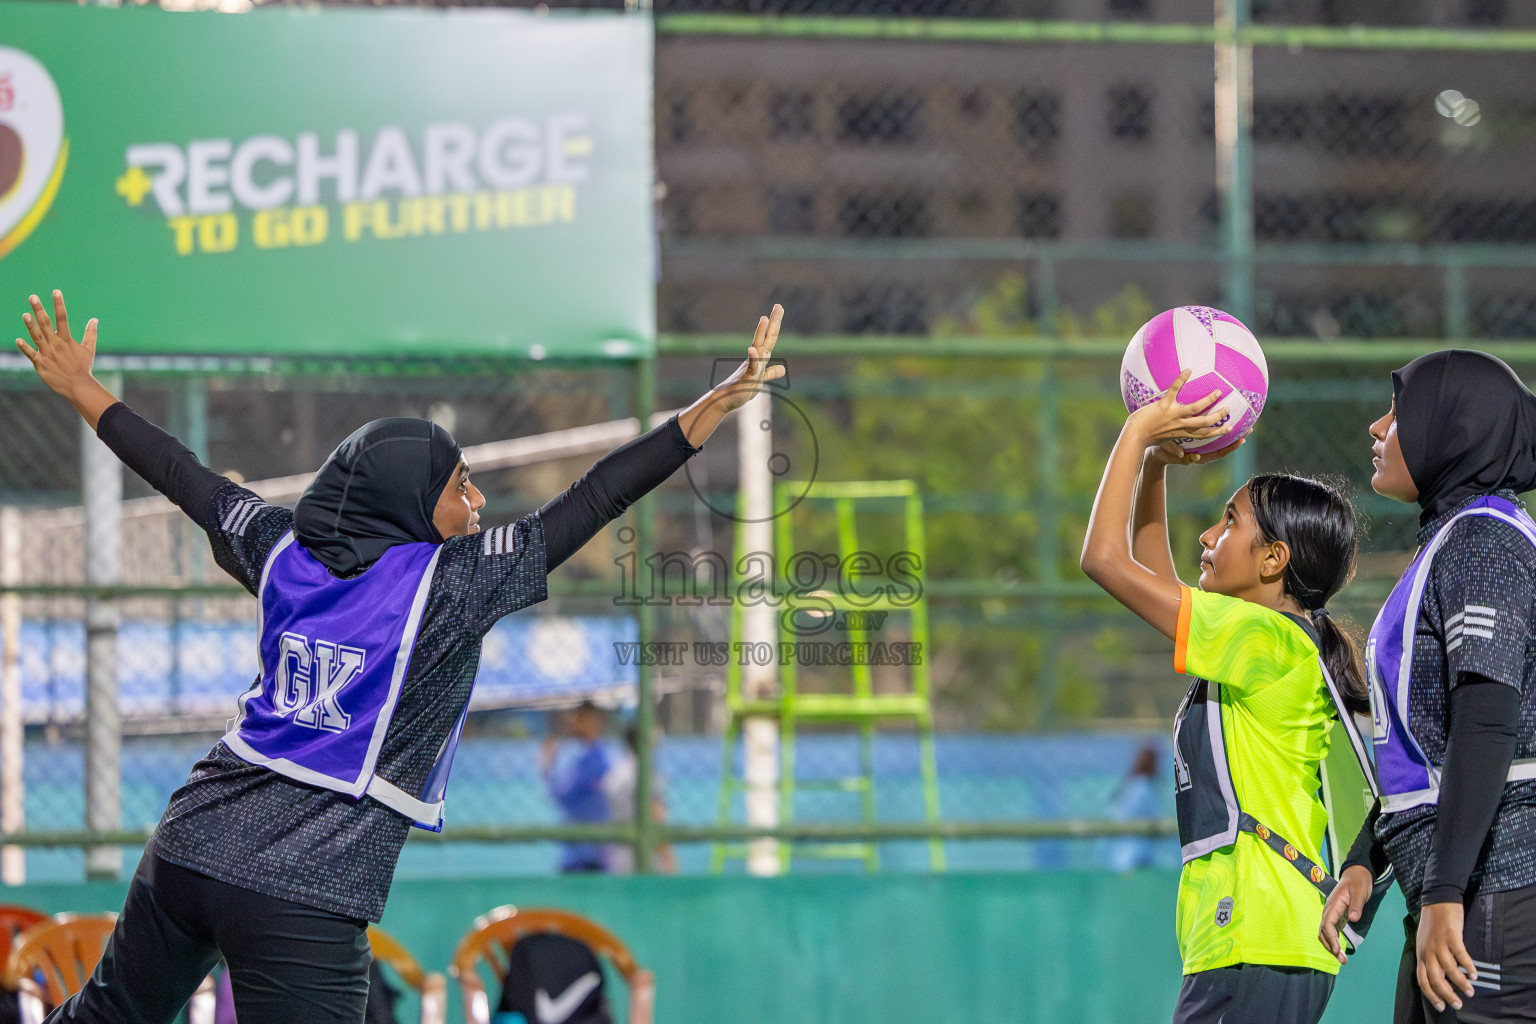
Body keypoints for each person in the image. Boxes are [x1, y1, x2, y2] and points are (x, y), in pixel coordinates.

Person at [13, 290, 786, 1024]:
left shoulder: (279, 545)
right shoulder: (454, 584)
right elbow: (594, 497)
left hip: (190, 842)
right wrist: (704, 413)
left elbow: (184, 476)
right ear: (410, 503)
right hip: (304, 885)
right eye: (462, 484)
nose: (478, 503)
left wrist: (85, 390)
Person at [1081, 370, 1374, 1024]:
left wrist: (1135, 432)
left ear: (1273, 559)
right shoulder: (1273, 643)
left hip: (1257, 936)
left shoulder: (1265, 640)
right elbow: (1153, 574)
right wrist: (1154, 465)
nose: (1207, 539)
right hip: (1262, 941)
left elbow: (1104, 560)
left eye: (1229, 522)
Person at [1320, 350, 1536, 1023]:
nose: (1376, 428)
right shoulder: (1453, 539)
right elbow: (1429, 752)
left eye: (1399, 412)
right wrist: (1367, 862)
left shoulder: (1483, 538)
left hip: (1494, 890)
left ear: (1453, 429)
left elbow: (1488, 719)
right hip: (1458, 894)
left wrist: (1446, 894)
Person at [541, 701, 614, 874]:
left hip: (586, 855)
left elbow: (564, 797)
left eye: (578, 717)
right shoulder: (587, 757)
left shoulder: (595, 761)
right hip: (585, 850)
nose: (572, 721)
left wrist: (547, 766)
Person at [603, 722, 677, 875]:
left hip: (617, 853)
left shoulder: (616, 772)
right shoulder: (648, 774)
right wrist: (668, 859)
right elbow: (656, 817)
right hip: (646, 856)